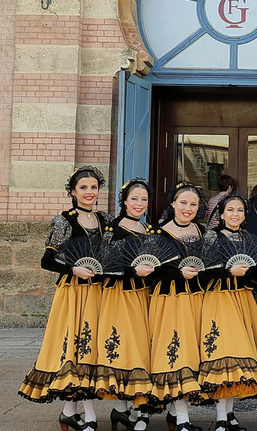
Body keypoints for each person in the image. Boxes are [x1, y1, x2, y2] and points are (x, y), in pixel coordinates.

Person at [19, 166, 112, 431]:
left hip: (98, 293)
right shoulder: (64, 221)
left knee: (91, 349)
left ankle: (69, 412)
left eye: (93, 187)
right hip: (73, 292)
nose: (89, 192)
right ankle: (90, 415)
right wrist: (73, 269)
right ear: (73, 191)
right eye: (83, 187)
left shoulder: (105, 220)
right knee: (76, 348)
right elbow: (47, 260)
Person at [196, 194, 257, 431]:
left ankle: (231, 414)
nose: (236, 214)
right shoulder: (211, 238)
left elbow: (255, 271)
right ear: (221, 214)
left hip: (243, 300)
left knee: (238, 359)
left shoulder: (248, 239)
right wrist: (228, 272)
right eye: (231, 210)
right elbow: (202, 272)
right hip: (219, 300)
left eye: (240, 210)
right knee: (224, 356)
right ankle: (221, 417)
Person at [146, 181, 210, 431]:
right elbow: (149, 274)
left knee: (193, 354)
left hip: (197, 300)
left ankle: (176, 412)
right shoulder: (158, 234)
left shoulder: (203, 232)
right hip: (169, 300)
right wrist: (177, 274)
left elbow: (210, 268)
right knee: (176, 352)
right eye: (183, 202)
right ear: (173, 204)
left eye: (193, 204)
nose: (188, 208)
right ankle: (182, 418)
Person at [95, 179, 155, 431]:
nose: (139, 204)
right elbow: (105, 267)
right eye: (134, 199)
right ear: (124, 201)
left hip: (144, 296)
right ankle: (125, 408)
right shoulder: (113, 229)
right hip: (121, 296)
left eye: (143, 199)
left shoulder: (148, 229)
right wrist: (133, 270)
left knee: (145, 350)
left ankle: (137, 408)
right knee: (125, 348)